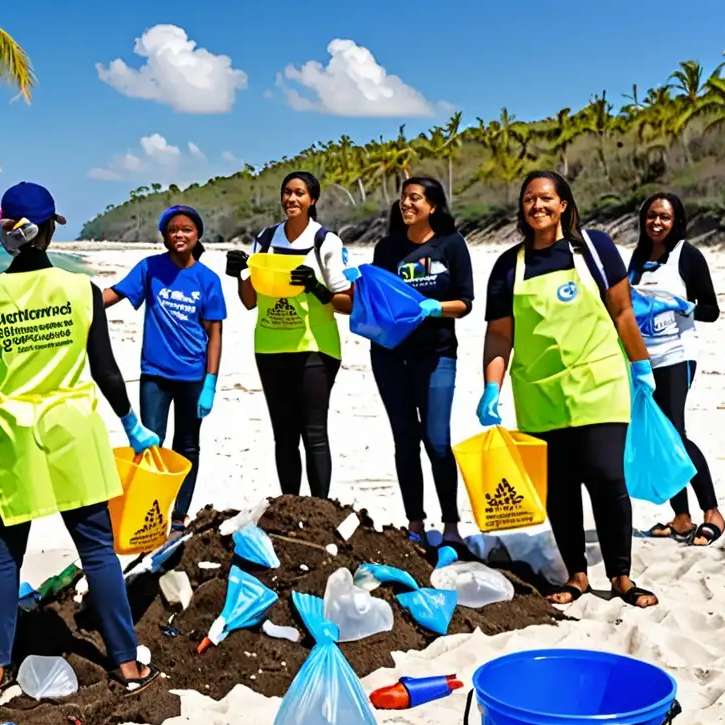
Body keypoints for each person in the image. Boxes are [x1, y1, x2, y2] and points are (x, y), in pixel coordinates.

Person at [0, 182, 161, 697]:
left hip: (14, 441)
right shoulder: (81, 290)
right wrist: (130, 422)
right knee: (98, 552)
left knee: (3, 553)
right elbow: (105, 369)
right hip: (74, 434)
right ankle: (125, 664)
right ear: (51, 228)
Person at [477, 170, 658, 608]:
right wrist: (490, 387)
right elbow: (501, 335)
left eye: (545, 199)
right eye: (528, 200)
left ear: (563, 205)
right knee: (558, 487)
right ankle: (577, 574)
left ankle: (620, 576)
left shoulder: (595, 248)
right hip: (540, 393)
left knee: (606, 475)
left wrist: (641, 365)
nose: (536, 206)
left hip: (599, 382)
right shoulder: (507, 266)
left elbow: (622, 314)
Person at [224, 171, 352, 499]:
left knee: (314, 434)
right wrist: (240, 273)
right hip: (270, 348)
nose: (291, 199)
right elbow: (250, 301)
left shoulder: (326, 242)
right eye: (286, 193)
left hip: (315, 347)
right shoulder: (266, 239)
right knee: (284, 436)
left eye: (299, 193)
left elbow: (348, 303)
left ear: (313, 200)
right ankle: (290, 508)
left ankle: (320, 511)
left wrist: (315, 286)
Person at [103, 206, 225, 530]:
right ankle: (149, 514)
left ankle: (180, 516)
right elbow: (113, 294)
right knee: (149, 444)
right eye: (173, 230)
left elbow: (215, 333)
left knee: (187, 446)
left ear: (197, 234)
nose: (179, 235)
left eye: (186, 229)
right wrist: (73, 303)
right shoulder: (150, 269)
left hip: (193, 377)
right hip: (155, 375)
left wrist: (211, 381)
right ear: (165, 236)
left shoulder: (208, 280)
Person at [370, 177, 473, 544]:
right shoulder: (387, 248)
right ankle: (415, 523)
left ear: (433, 206)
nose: (406, 204)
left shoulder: (451, 245)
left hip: (436, 355)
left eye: (415, 198)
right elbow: (377, 302)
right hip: (390, 357)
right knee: (405, 440)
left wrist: (436, 309)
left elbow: (465, 303)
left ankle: (450, 526)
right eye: (403, 198)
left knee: (437, 440)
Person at [628, 192, 725, 546]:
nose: (656, 223)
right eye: (651, 216)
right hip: (642, 359)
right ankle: (681, 518)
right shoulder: (638, 257)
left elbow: (711, 310)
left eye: (664, 218)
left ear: (676, 221)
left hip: (676, 356)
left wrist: (683, 307)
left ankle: (712, 512)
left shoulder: (688, 256)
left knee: (674, 435)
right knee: (655, 435)